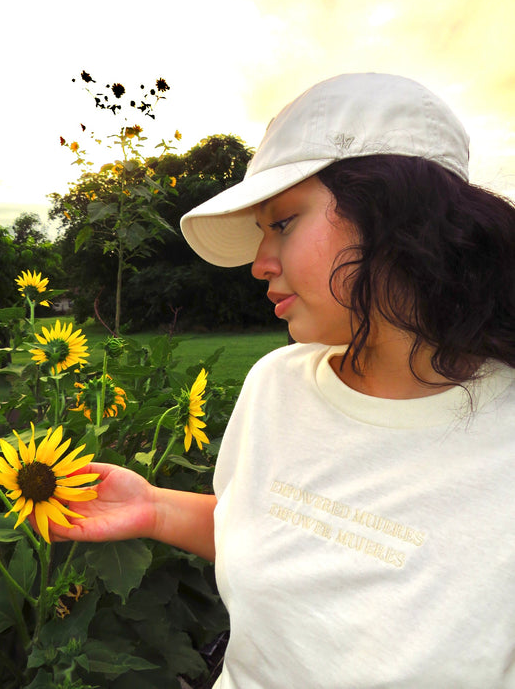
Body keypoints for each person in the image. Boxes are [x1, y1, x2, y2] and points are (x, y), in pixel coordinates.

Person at [50, 73, 515, 688]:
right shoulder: (277, 384)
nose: (259, 262)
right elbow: (284, 530)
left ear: (398, 217)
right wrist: (157, 508)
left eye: (284, 223)